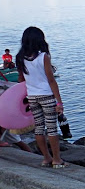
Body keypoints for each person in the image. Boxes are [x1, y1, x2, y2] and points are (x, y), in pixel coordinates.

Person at [15, 27, 67, 168]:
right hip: (46, 96)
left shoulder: (20, 58)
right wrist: (59, 102)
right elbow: (51, 80)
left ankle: (46, 158)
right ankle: (57, 160)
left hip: (32, 97)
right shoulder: (43, 56)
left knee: (38, 128)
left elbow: (20, 79)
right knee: (51, 128)